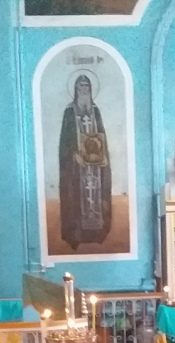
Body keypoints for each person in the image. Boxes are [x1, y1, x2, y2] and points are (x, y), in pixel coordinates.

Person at [58, 74, 111, 250]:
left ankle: (97, 234)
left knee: (96, 195)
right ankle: (77, 235)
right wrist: (73, 155)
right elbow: (65, 141)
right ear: (75, 89)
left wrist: (103, 156)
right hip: (76, 167)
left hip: (95, 165)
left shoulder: (95, 111)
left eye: (86, 86)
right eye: (80, 86)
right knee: (76, 197)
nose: (84, 90)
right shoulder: (69, 112)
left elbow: (102, 137)